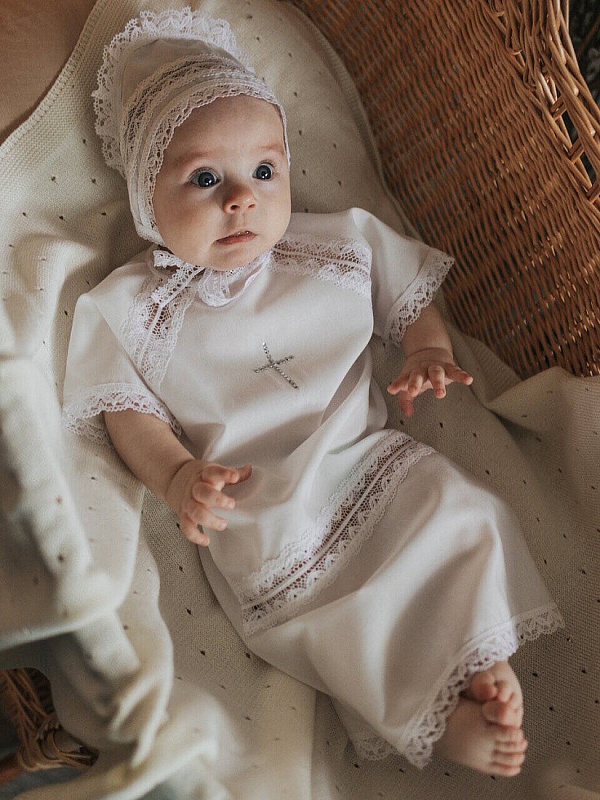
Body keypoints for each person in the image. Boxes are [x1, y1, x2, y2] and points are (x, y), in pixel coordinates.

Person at [62, 8, 563, 777]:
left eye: (264, 172)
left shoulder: (332, 247)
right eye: (205, 179)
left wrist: (428, 348)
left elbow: (406, 292)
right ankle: (436, 717)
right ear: (144, 198)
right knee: (337, 618)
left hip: (369, 461)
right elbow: (126, 410)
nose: (242, 198)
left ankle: (480, 654)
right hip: (262, 507)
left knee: (458, 512)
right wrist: (176, 475)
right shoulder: (134, 309)